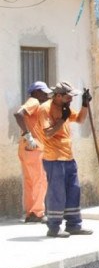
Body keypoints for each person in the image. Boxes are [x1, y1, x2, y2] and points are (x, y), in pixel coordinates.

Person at [38, 82, 93, 237]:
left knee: (73, 190)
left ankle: (74, 225)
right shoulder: (45, 109)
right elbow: (48, 133)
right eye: (69, 97)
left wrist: (85, 105)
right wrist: (62, 119)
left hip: (68, 157)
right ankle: (54, 227)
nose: (70, 99)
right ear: (59, 96)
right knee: (57, 193)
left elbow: (80, 119)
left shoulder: (65, 108)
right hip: (54, 158)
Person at [14, 81, 52, 223]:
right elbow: (18, 114)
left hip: (27, 148)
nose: (46, 95)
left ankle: (31, 213)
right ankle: (38, 213)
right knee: (40, 180)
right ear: (36, 92)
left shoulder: (36, 103)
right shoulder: (34, 101)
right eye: (43, 92)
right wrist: (28, 135)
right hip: (33, 147)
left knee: (30, 181)